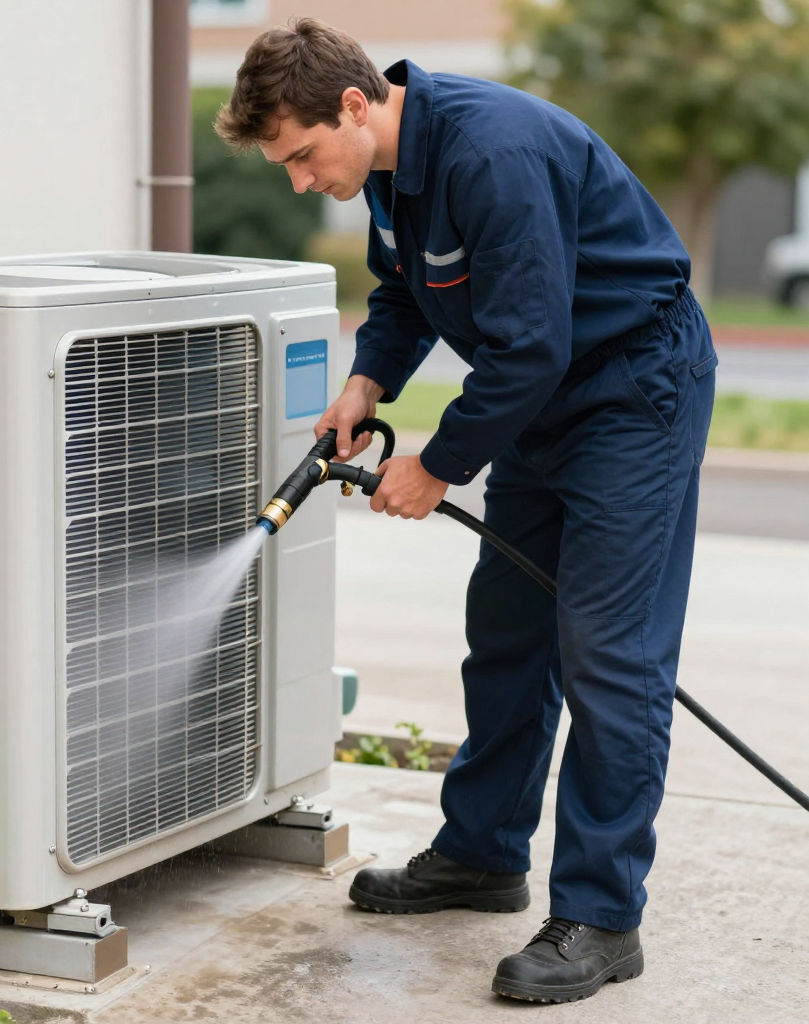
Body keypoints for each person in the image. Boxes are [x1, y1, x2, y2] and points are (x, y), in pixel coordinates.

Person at [216, 17, 716, 1004]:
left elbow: (527, 342)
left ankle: (602, 918)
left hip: (631, 390)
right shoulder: (394, 171)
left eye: (305, 156)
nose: (300, 180)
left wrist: (437, 465)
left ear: (355, 104)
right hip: (543, 398)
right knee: (507, 633)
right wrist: (366, 383)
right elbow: (405, 294)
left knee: (608, 653)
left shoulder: (491, 151)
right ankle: (483, 855)